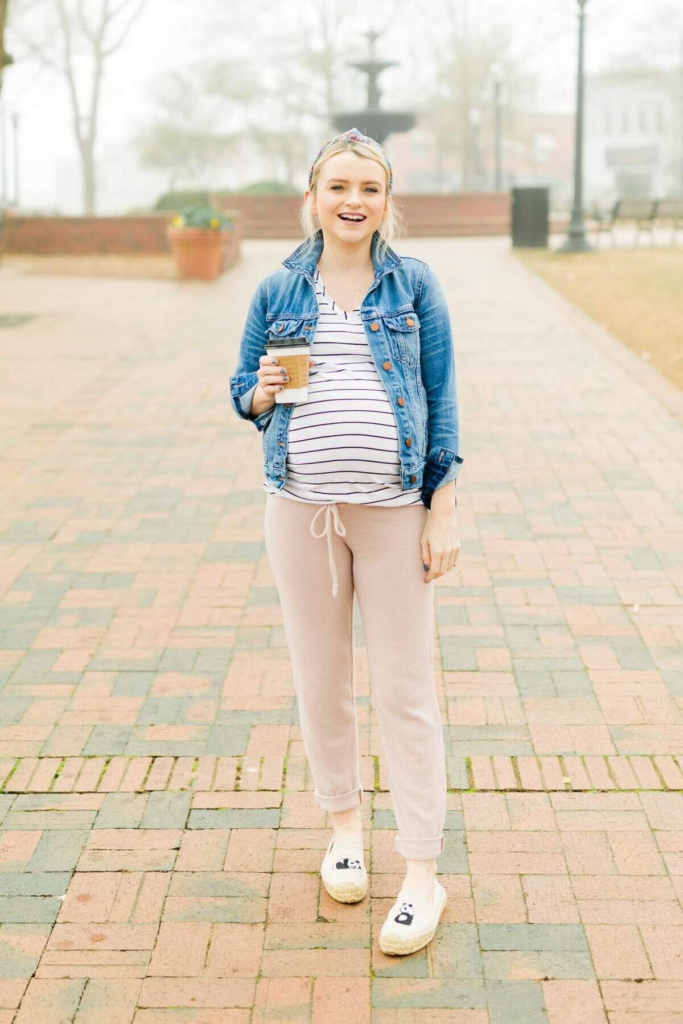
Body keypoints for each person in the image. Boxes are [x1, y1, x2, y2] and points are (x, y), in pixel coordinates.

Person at [229, 127, 464, 956]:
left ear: (386, 197)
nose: (353, 200)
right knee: (320, 680)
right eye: (338, 187)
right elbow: (243, 389)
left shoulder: (415, 286)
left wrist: (444, 503)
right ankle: (342, 831)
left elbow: (441, 396)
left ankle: (422, 871)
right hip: (299, 512)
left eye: (368, 186)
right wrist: (258, 394)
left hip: (394, 511)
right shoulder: (278, 290)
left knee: (404, 691)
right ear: (313, 195)